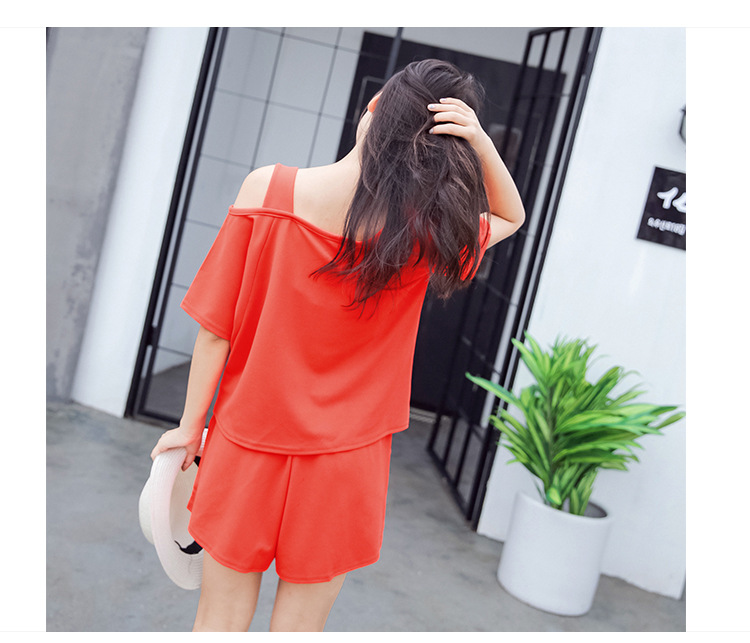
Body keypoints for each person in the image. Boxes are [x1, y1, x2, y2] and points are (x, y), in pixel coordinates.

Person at [150, 58, 525, 632]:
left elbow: (216, 328)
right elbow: (510, 215)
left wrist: (188, 426)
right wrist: (479, 142)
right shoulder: (427, 236)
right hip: (348, 460)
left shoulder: (269, 189)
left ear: (372, 109)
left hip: (247, 440)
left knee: (219, 617)